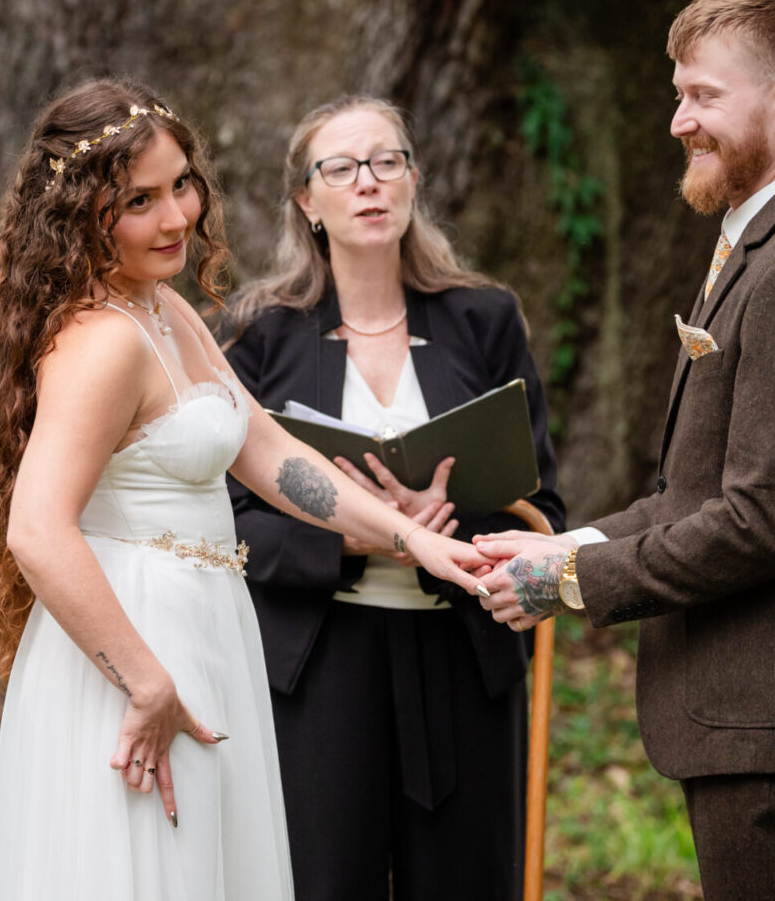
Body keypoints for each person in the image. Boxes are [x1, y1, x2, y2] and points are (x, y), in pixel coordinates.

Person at [0, 78, 488, 901]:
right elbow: (38, 531)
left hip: (204, 626)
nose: (177, 218)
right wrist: (144, 679)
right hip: (136, 637)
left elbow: (268, 455)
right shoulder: (101, 345)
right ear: (79, 217)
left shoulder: (162, 310)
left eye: (181, 186)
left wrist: (411, 538)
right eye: (139, 201)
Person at [474, 0, 775, 900]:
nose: (679, 121)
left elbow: (759, 521)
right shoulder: (758, 247)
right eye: (680, 95)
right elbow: (696, 491)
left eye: (703, 95)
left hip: (773, 718)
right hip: (751, 713)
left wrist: (568, 583)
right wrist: (565, 545)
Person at [220, 96, 565, 901]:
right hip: (317, 664)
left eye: (386, 162)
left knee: (468, 882)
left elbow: (541, 499)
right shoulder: (255, 333)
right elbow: (226, 526)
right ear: (306, 201)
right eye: (339, 169)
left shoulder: (485, 317)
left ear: (412, 179)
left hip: (465, 659)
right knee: (322, 882)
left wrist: (449, 523)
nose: (367, 183)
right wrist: (355, 537)